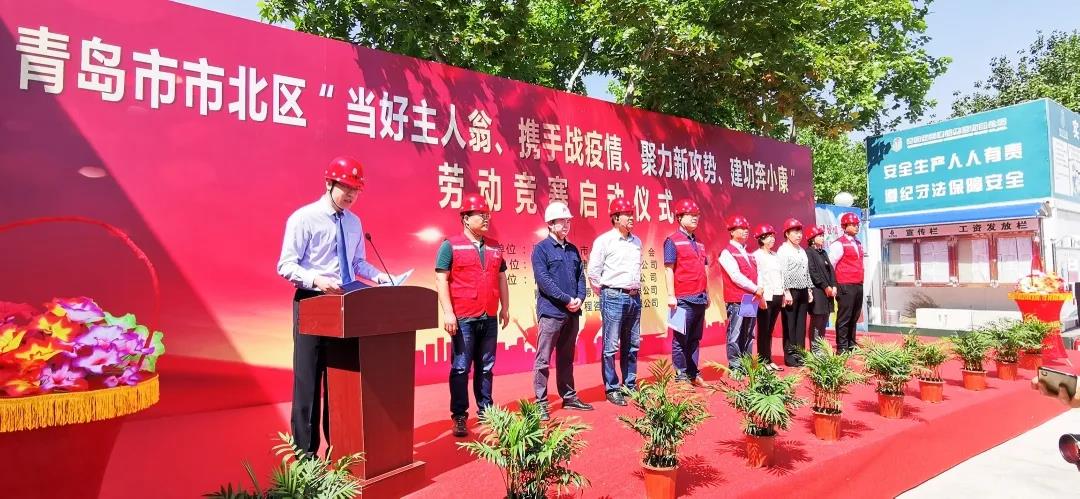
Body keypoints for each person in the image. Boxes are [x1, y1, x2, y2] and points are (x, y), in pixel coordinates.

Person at [276, 156, 393, 456]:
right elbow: (286, 265)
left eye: (356, 190)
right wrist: (317, 280)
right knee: (308, 381)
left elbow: (356, 263)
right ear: (329, 183)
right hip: (313, 303)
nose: (351, 195)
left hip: (345, 305)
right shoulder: (304, 218)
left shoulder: (354, 222)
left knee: (341, 380)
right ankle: (306, 455)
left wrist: (380, 277)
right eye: (346, 187)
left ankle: (339, 448)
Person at [434, 193, 510, 437]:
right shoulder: (450, 246)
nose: (486, 218)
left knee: (486, 366)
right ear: (466, 218)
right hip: (463, 317)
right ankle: (459, 415)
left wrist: (505, 308)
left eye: (487, 214)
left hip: (489, 316)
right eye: (481, 214)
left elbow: (501, 278)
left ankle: (486, 411)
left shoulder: (495, 246)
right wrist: (448, 313)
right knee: (460, 368)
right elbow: (441, 279)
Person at [531, 201, 593, 420]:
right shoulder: (541, 249)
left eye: (568, 221)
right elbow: (544, 281)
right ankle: (541, 402)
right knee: (543, 360)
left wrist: (580, 298)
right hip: (551, 312)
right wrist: (566, 299)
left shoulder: (573, 249)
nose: (566, 225)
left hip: (572, 313)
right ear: (550, 223)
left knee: (566, 357)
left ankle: (569, 396)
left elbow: (580, 277)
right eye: (561, 221)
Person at [587, 197, 643, 406]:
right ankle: (612, 387)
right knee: (611, 345)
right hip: (613, 296)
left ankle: (630, 385)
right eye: (627, 214)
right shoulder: (604, 241)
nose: (631, 218)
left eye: (632, 214)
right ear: (616, 218)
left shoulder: (637, 242)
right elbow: (593, 272)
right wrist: (606, 292)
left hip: (634, 297)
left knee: (633, 344)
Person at [663, 198, 709, 385]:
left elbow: (705, 269)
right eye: (690, 215)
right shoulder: (672, 241)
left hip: (700, 297)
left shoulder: (700, 244)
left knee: (695, 338)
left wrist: (707, 293)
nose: (695, 218)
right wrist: (670, 295)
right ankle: (681, 375)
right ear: (679, 217)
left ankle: (692, 373)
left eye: (696, 215)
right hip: (681, 299)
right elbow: (668, 269)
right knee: (680, 338)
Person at [718, 215, 761, 372]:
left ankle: (747, 364)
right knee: (735, 333)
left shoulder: (748, 253)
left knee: (748, 332)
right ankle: (735, 366)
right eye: (741, 228)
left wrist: (758, 290)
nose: (745, 231)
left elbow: (756, 274)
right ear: (731, 231)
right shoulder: (727, 252)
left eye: (746, 228)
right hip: (736, 299)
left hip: (750, 299)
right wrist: (755, 289)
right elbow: (735, 276)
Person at [778, 218, 814, 365]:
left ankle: (801, 354)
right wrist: (786, 291)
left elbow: (806, 271)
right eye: (795, 232)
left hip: (803, 290)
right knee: (790, 325)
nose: (799, 235)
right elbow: (782, 272)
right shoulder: (783, 250)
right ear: (787, 234)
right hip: (790, 291)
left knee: (801, 325)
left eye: (800, 232)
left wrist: (809, 289)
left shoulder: (802, 250)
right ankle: (790, 357)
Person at [829, 212, 864, 353]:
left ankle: (851, 343)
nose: (856, 227)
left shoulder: (858, 243)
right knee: (845, 316)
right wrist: (833, 284)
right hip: (845, 284)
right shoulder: (839, 243)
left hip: (858, 283)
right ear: (844, 226)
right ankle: (842, 346)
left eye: (857, 224)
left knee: (855, 315)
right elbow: (830, 265)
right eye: (853, 224)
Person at [751, 224, 783, 371]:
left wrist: (783, 293)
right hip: (765, 297)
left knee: (770, 330)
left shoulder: (775, 255)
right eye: (769, 236)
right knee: (763, 330)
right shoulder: (756, 255)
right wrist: (760, 296)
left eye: (773, 236)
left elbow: (780, 275)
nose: (772, 239)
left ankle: (769, 359)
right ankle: (762, 361)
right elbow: (758, 276)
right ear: (761, 239)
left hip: (777, 295)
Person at [806, 226, 837, 356]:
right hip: (818, 291)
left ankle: (821, 347)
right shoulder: (809, 252)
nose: (822, 238)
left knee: (824, 319)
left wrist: (834, 285)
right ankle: (815, 350)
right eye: (819, 236)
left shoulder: (823, 252)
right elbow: (813, 272)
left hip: (828, 292)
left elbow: (831, 270)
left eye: (823, 236)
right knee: (817, 320)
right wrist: (825, 286)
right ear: (812, 238)